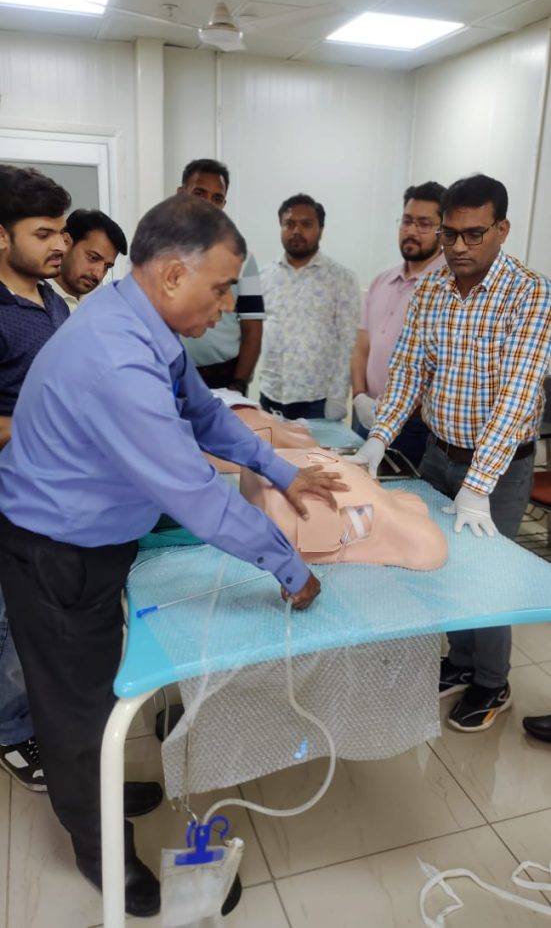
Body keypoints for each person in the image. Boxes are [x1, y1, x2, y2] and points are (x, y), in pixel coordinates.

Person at [0, 192, 345, 917]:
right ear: (172, 276)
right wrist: (289, 566)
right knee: (73, 712)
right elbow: (194, 491)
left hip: (90, 544)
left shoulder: (140, 323)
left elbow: (204, 412)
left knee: (95, 692)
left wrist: (282, 471)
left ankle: (99, 788)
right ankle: (101, 853)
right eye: (220, 288)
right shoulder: (118, 360)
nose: (228, 306)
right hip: (54, 555)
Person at [354, 174, 551, 732]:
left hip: (500, 469)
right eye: (450, 234)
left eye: (474, 234)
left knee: (487, 579)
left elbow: (518, 394)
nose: (458, 246)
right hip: (438, 456)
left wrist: (479, 484)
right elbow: (409, 368)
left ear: (502, 229)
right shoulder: (433, 289)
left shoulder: (531, 293)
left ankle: (492, 681)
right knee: (444, 567)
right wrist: (379, 436)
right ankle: (461, 661)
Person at [0, 165, 71, 792]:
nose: (61, 245)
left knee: (35, 619)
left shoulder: (51, 302)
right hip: (6, 493)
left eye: (63, 232)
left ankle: (39, 718)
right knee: (6, 622)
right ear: (2, 237)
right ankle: (12, 735)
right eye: (44, 233)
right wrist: (42, 422)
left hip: (46, 495)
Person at [351, 181, 446, 468]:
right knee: (358, 488)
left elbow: (441, 370)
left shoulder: (447, 287)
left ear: (443, 230)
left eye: (424, 224)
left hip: (413, 425)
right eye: (407, 221)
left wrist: (394, 411)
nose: (412, 231)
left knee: (401, 494)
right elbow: (361, 348)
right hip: (364, 413)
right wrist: (359, 397)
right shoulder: (381, 281)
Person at [259, 193, 361, 420]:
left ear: (320, 230)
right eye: (289, 224)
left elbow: (349, 343)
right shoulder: (264, 276)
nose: (296, 231)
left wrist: (337, 398)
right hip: (270, 394)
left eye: (306, 224)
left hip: (316, 401)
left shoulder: (341, 279)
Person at [177, 158, 263, 395]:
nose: (208, 203)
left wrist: (238, 385)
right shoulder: (157, 252)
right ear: (181, 194)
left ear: (223, 204)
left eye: (217, 198)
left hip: (222, 379)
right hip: (168, 377)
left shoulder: (243, 258)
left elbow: (252, 328)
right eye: (199, 193)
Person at [51, 208, 128, 311]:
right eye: (93, 258)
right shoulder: (36, 301)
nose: (98, 274)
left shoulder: (100, 307)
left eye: (107, 266)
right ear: (65, 242)